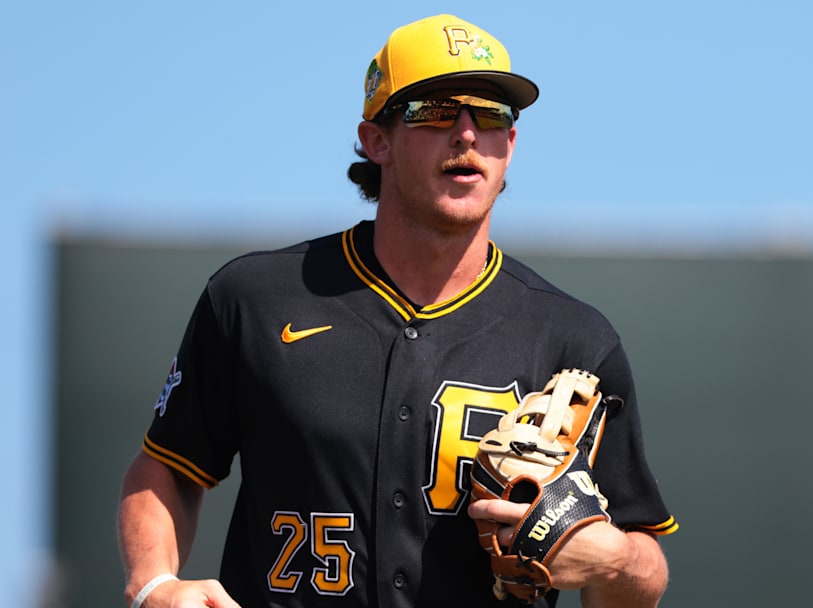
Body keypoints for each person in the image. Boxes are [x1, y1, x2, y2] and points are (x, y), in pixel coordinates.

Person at [118, 13, 677, 608]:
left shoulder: (574, 339)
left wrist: (615, 560)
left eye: (491, 114)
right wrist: (154, 584)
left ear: (509, 145)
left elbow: (643, 563)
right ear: (375, 139)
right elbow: (169, 467)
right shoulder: (255, 297)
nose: (467, 133)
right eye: (435, 110)